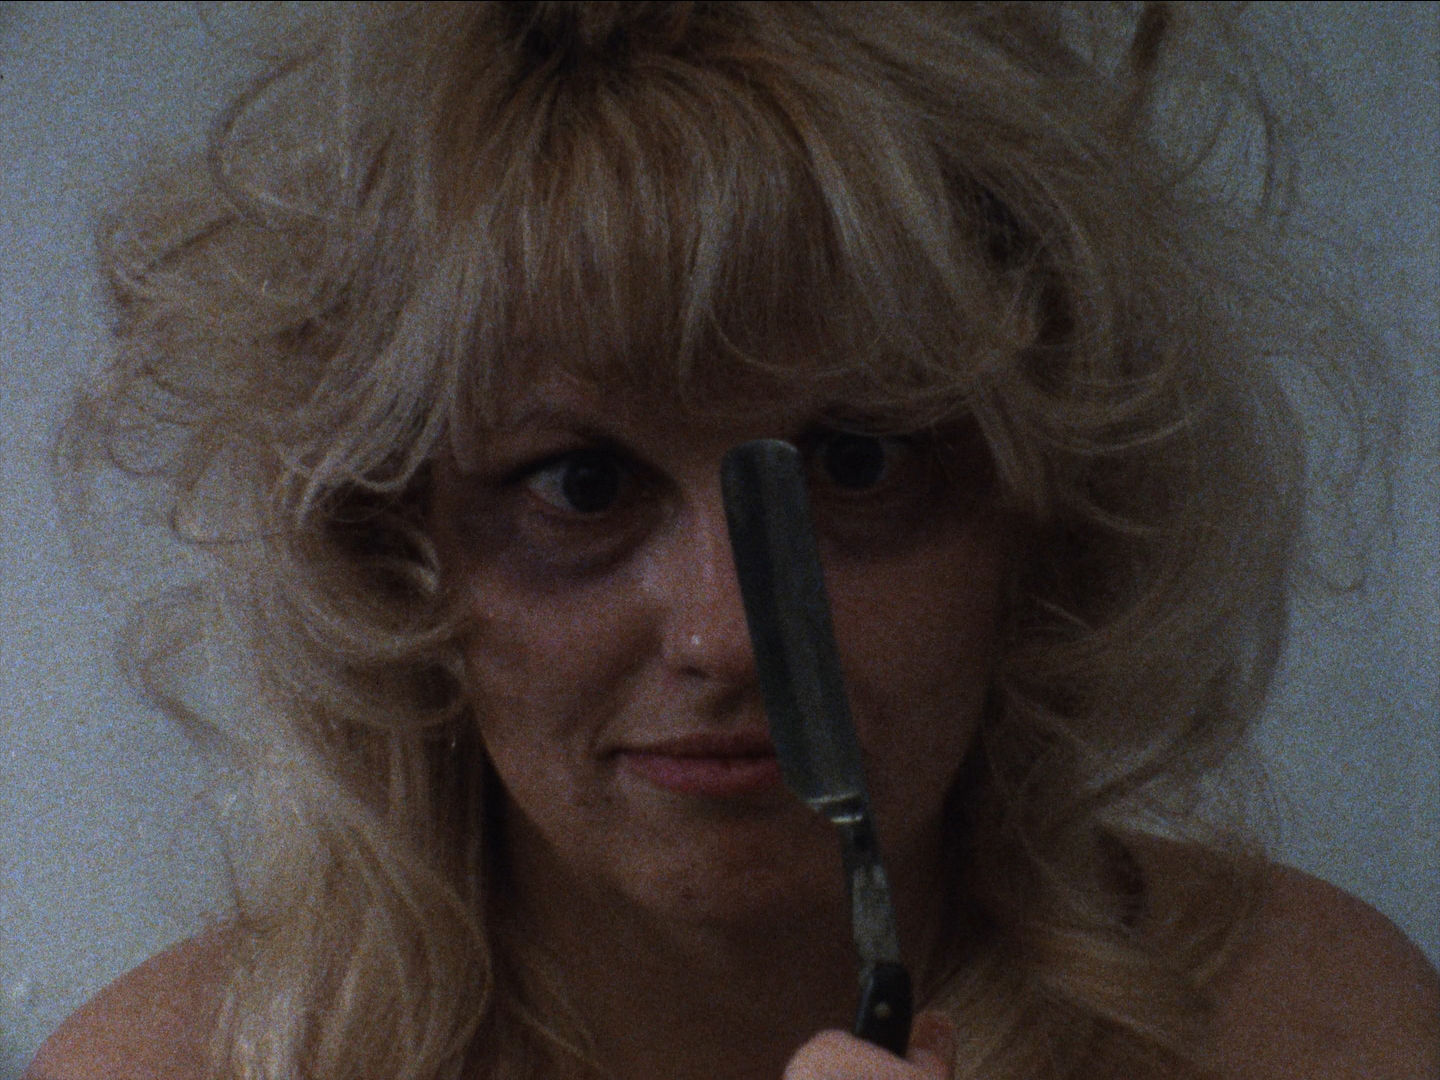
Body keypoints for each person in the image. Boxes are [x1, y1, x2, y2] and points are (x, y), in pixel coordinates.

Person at [26, 3, 1438, 1078]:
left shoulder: (1307, 1028)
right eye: (581, 483)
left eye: (858, 463)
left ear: (1047, 510)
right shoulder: (175, 1067)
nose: (727, 633)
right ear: (393, 548)